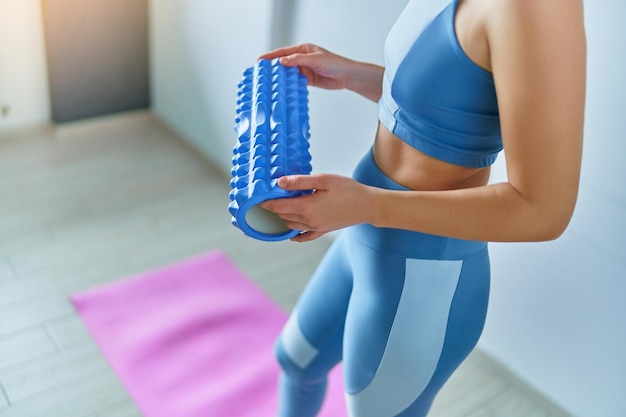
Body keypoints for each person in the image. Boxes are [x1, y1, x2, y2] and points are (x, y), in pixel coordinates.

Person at [258, 0, 586, 416]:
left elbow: (543, 211)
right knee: (295, 361)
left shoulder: (539, 10)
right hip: (365, 229)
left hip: (422, 274)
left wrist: (368, 204)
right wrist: (353, 74)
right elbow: (450, 104)